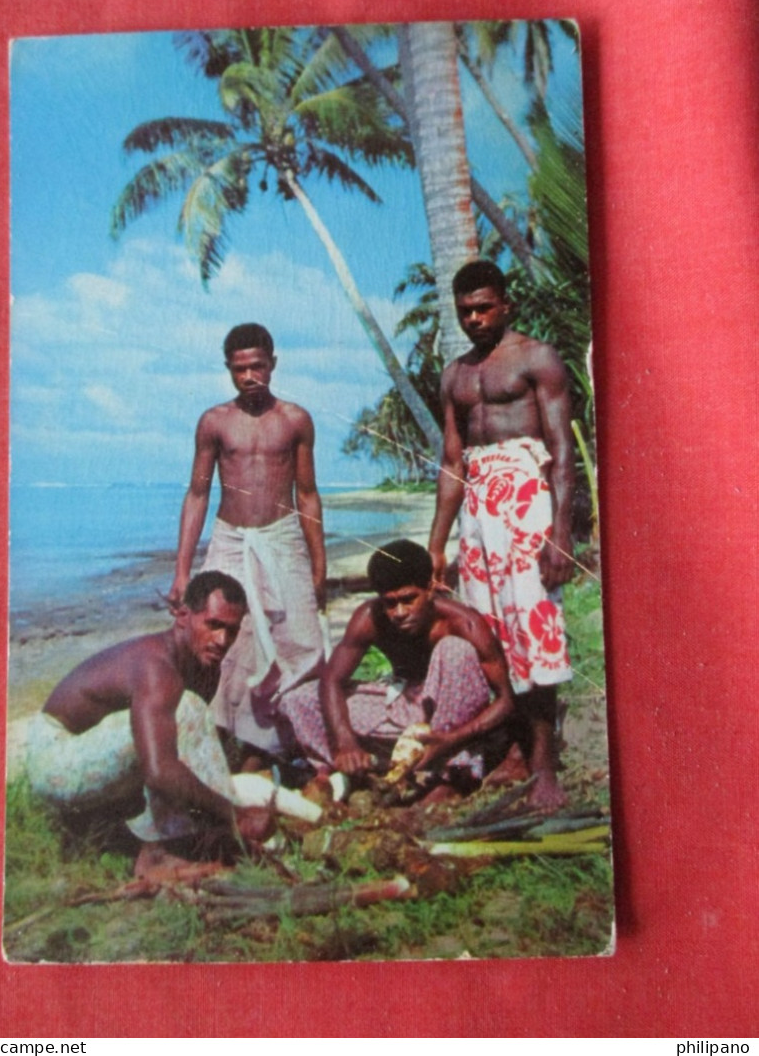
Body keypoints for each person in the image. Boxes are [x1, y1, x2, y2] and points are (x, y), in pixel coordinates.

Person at [428, 259, 576, 809]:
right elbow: (451, 464)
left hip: (526, 502)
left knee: (535, 627)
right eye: (465, 310)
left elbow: (562, 453)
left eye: (484, 307)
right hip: (477, 512)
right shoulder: (455, 375)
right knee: (489, 630)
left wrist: (560, 532)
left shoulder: (536, 358)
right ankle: (513, 748)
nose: (474, 318)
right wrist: (436, 543)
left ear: (506, 303)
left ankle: (544, 758)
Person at [27, 571, 273, 880]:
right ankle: (160, 854)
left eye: (231, 631)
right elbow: (160, 771)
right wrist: (235, 815)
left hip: (91, 749)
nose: (222, 640)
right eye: (213, 625)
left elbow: (181, 752)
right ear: (183, 616)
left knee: (179, 722)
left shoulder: (206, 667)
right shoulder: (157, 668)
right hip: (54, 760)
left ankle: (179, 838)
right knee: (186, 711)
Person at [167, 323, 326, 758]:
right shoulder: (215, 422)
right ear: (228, 370)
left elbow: (307, 494)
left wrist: (319, 567)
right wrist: (183, 571)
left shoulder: (295, 420)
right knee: (221, 641)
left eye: (257, 366)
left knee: (299, 638)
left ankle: (290, 744)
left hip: (281, 535)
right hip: (230, 538)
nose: (249, 377)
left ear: (272, 364)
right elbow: (197, 493)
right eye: (240, 370)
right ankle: (220, 745)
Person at [282, 540, 514, 784]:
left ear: (430, 588)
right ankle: (358, 767)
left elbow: (506, 700)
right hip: (404, 707)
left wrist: (452, 739)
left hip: (453, 719)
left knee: (454, 649)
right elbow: (332, 679)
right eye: (390, 603)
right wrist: (345, 740)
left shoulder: (464, 624)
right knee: (298, 698)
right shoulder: (370, 618)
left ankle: (448, 772)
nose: (400, 613)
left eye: (408, 599)